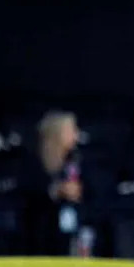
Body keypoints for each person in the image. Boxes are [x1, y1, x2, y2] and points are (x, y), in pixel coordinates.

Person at [25, 110, 92, 257]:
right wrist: (57, 191)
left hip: (74, 226)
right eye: (71, 130)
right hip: (43, 229)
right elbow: (30, 191)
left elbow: (92, 189)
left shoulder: (78, 160)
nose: (76, 135)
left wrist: (78, 191)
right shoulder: (35, 161)